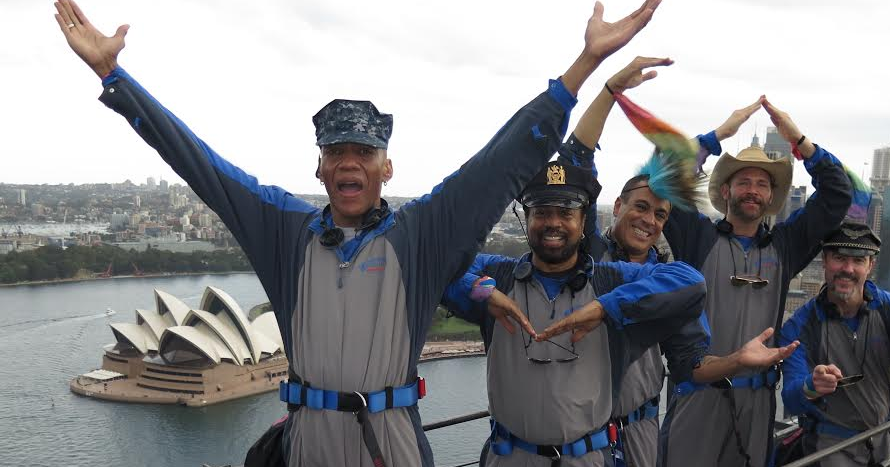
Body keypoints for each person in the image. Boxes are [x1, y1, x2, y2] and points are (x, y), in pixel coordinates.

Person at [52, 0, 663, 465]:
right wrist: (116, 79)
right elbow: (201, 165)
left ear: (386, 167)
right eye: (336, 150)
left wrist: (584, 67)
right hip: (309, 440)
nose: (350, 161)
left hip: (389, 441)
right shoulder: (283, 230)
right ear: (318, 166)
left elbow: (501, 160)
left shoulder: (421, 233)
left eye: (364, 152)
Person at [553, 66, 798, 467]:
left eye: (661, 214)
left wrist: (737, 360)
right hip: (580, 434)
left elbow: (690, 364)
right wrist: (718, 134)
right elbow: (577, 169)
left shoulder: (670, 283)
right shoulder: (589, 256)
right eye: (641, 207)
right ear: (617, 206)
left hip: (641, 433)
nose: (649, 220)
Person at [441, 159, 706, 467]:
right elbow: (438, 265)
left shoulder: (610, 281)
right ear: (527, 219)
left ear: (582, 223)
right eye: (541, 212)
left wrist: (606, 307)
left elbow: (691, 282)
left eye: (566, 213)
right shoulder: (501, 277)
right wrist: (482, 292)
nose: (554, 223)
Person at [657, 99, 854, 467]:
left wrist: (798, 139)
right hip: (699, 394)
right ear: (726, 191)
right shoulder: (697, 237)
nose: (753, 190)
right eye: (743, 181)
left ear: (770, 196)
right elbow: (665, 177)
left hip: (758, 403)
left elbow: (838, 195)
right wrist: (717, 136)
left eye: (762, 184)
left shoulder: (786, 245)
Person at [778, 221, 890, 466]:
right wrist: (811, 385)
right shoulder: (800, 327)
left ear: (871, 266)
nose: (848, 269)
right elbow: (791, 397)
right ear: (824, 260)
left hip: (885, 443)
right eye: (839, 258)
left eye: (858, 260)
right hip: (829, 447)